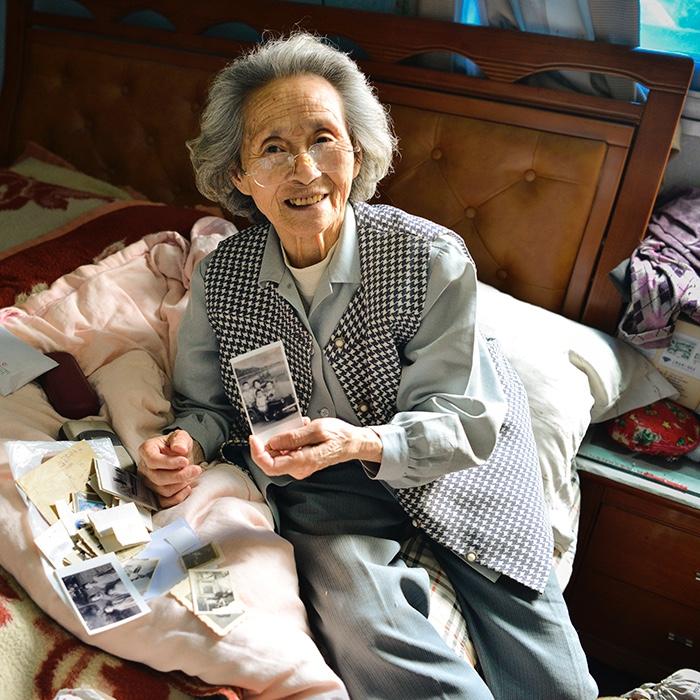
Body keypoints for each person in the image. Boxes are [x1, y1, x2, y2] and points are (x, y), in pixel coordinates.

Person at [138, 32, 598, 700]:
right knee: (364, 629)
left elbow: (465, 420)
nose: (304, 170)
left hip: (458, 468)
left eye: (323, 138)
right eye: (273, 148)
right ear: (239, 176)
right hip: (326, 485)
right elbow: (206, 407)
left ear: (356, 151)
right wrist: (184, 444)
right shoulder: (223, 280)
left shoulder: (428, 258)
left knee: (556, 680)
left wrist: (362, 441)